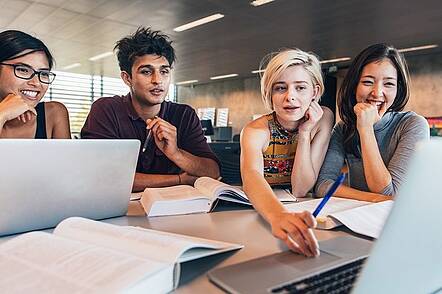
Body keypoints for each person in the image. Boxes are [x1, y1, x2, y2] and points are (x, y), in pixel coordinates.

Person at [81, 27, 220, 191]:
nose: (158, 80)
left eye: (164, 71)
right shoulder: (106, 110)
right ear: (127, 78)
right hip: (121, 209)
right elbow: (103, 177)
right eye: (146, 72)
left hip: (175, 209)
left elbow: (212, 171)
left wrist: (176, 153)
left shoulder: (184, 114)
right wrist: (179, 179)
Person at [240, 49, 334, 257]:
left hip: (301, 208)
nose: (290, 97)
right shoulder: (255, 130)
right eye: (280, 88)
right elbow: (251, 176)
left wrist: (305, 132)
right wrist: (278, 216)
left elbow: (301, 188)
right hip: (261, 211)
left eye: (300, 88)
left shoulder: (323, 118)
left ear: (315, 92)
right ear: (269, 94)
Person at [315, 43, 429, 202]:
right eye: (368, 82)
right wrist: (373, 199)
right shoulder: (343, 128)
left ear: (398, 89)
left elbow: (388, 191)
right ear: (354, 86)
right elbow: (323, 185)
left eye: (388, 83)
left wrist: (366, 129)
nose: (377, 93)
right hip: (358, 217)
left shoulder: (413, 125)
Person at [0, 30, 70, 138]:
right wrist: (2, 114)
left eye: (43, 73)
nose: (36, 83)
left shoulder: (53, 114)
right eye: (23, 70)